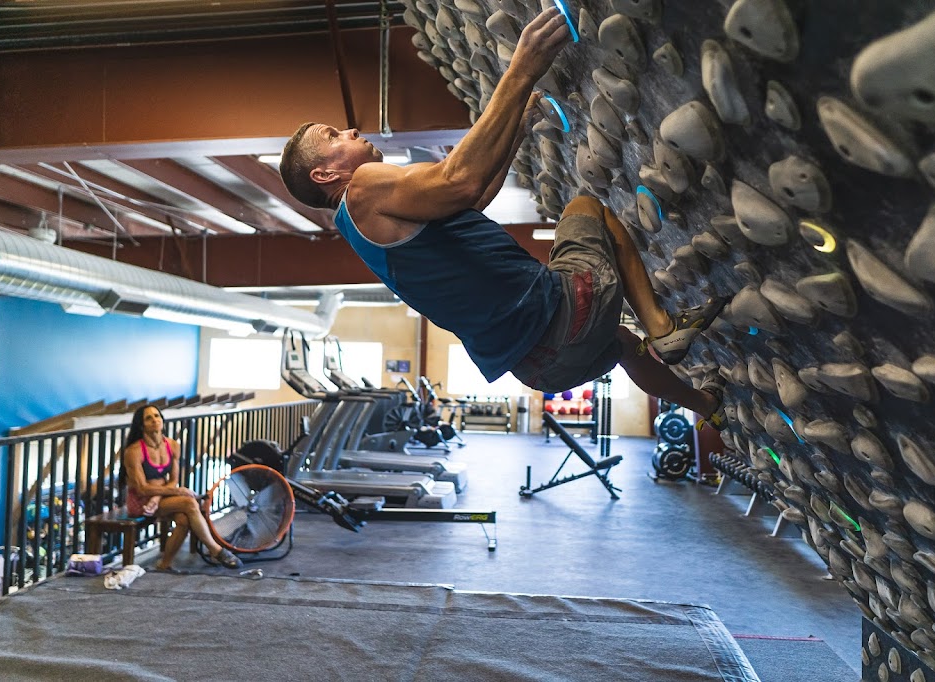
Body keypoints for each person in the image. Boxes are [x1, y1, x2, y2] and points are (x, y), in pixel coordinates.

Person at [278, 8, 727, 430]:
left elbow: (468, 203)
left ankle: (707, 407)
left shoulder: (362, 230)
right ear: (325, 174)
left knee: (626, 349)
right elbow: (459, 181)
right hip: (564, 317)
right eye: (333, 136)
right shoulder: (362, 187)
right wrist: (521, 69)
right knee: (587, 210)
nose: (352, 131)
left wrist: (517, 128)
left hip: (540, 367)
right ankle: (663, 330)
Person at [121, 405, 242, 570]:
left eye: (157, 416)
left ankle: (164, 565)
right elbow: (142, 488)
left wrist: (158, 496)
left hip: (160, 499)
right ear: (141, 425)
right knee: (189, 503)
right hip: (141, 503)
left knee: (184, 520)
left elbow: (174, 479)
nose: (155, 420)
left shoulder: (172, 445)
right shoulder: (134, 451)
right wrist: (176, 491)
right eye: (149, 418)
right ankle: (216, 549)